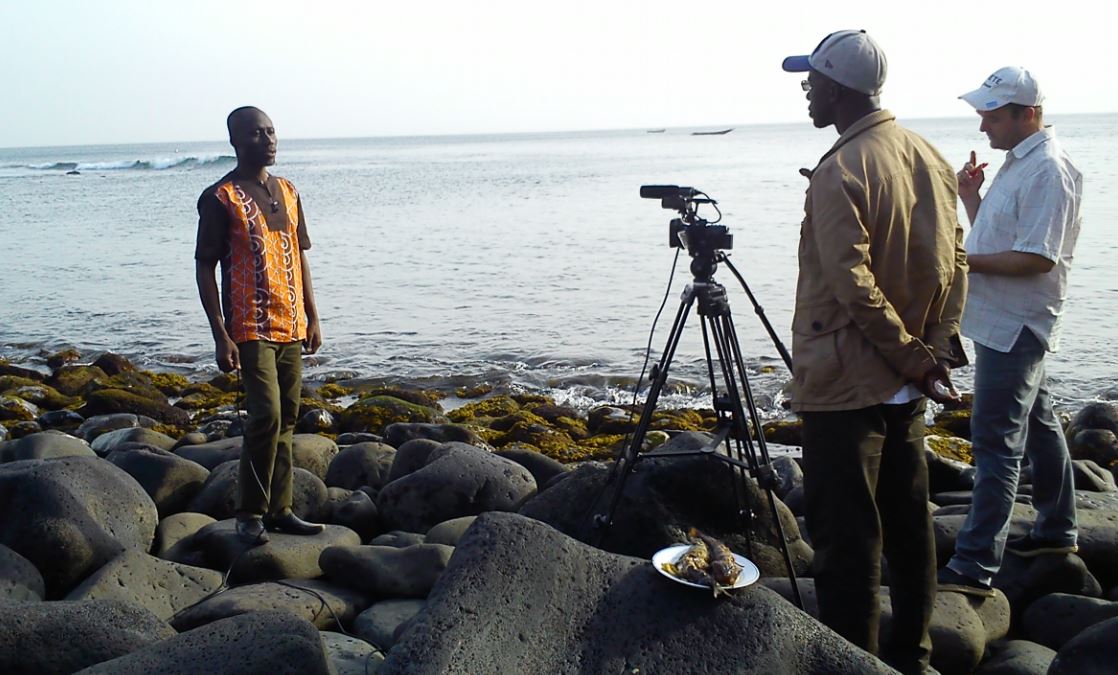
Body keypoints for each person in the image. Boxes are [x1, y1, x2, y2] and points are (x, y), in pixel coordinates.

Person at [782, 30, 968, 674]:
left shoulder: (841, 169)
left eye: (812, 80)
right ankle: (913, 657)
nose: (807, 90)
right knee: (909, 527)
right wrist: (933, 351)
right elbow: (958, 263)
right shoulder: (929, 156)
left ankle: (853, 664)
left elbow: (852, 284)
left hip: (847, 383)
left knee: (846, 540)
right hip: (907, 382)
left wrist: (915, 357)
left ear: (838, 88)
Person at [938, 67, 1082, 597]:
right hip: (1005, 320)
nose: (984, 127)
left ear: (1029, 114)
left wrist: (962, 262)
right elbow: (1005, 239)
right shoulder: (1021, 162)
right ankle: (1057, 530)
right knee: (1039, 424)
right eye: (983, 115)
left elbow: (1037, 259)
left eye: (993, 117)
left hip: (1016, 325)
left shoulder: (1048, 170)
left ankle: (975, 566)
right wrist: (971, 198)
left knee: (996, 442)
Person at [195, 106, 325, 545]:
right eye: (255, 133)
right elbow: (205, 266)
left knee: (287, 416)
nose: (268, 139)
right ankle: (249, 512)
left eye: (270, 131)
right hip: (249, 326)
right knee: (266, 414)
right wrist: (220, 334)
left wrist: (313, 316)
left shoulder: (288, 190)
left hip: (291, 323)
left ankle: (281, 509)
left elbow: (299, 255)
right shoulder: (221, 197)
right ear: (235, 141)